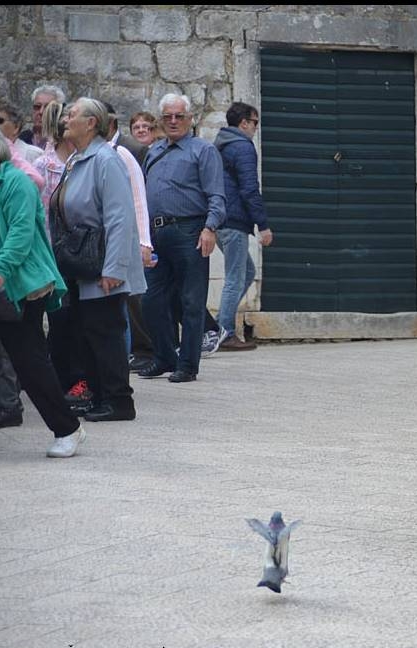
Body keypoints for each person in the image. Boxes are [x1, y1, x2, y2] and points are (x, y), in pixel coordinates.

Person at [0, 120, 85, 459]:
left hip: (22, 286)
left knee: (29, 364)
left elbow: (20, 234)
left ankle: (68, 429)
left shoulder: (17, 183)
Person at [52, 97, 146, 421]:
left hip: (102, 265)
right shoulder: (79, 159)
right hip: (82, 265)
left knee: (105, 334)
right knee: (87, 335)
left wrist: (115, 269)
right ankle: (98, 396)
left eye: (72, 114)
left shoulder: (106, 159)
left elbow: (121, 217)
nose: (65, 118)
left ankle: (119, 401)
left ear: (91, 122)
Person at [138, 94, 224, 383]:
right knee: (150, 299)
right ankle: (164, 358)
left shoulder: (203, 150)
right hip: (156, 233)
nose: (173, 121)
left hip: (190, 231)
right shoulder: (153, 151)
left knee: (190, 301)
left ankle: (187, 364)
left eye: (179, 116)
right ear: (161, 120)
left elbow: (216, 195)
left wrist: (210, 228)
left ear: (190, 119)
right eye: (168, 117)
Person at [213, 102, 272, 350]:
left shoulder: (220, 143)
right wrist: (263, 225)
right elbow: (249, 189)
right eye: (255, 122)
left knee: (246, 272)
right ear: (244, 123)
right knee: (235, 279)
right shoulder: (242, 146)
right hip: (233, 222)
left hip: (220, 221)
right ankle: (223, 333)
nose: (256, 128)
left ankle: (218, 325)